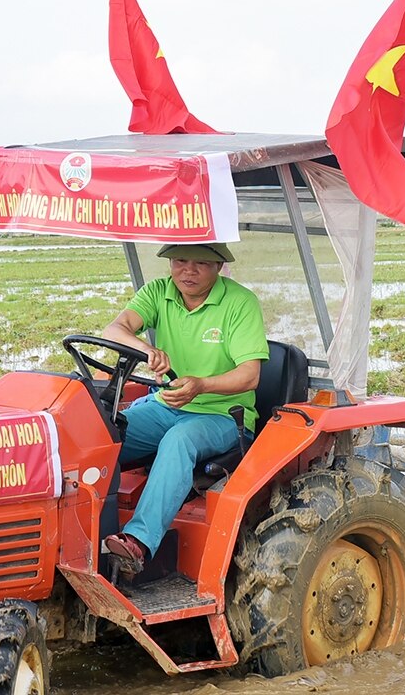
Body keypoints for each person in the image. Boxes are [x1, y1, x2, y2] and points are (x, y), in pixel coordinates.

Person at [100, 242, 268, 574]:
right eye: (180, 261)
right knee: (105, 434)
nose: (188, 270)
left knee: (179, 440)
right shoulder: (159, 292)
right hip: (167, 403)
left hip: (223, 415)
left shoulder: (240, 303)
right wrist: (146, 349)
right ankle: (85, 530)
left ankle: (137, 543)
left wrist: (201, 385)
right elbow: (114, 329)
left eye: (201, 263)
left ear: (219, 266)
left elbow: (250, 376)